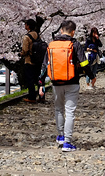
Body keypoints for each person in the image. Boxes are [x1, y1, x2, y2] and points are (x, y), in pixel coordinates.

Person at [45, 19, 88, 152]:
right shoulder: (75, 44)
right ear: (73, 32)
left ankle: (60, 136)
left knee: (58, 109)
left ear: (61, 30)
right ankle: (67, 143)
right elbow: (84, 63)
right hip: (72, 82)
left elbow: (44, 65)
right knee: (70, 112)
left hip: (56, 82)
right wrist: (91, 76)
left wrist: (41, 82)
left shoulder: (51, 45)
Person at [21, 19, 40, 103]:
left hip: (29, 61)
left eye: (25, 24)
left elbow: (25, 50)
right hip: (38, 60)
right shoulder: (37, 35)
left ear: (28, 26)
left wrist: (21, 54)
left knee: (30, 80)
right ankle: (41, 96)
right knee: (38, 79)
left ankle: (32, 97)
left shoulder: (27, 37)